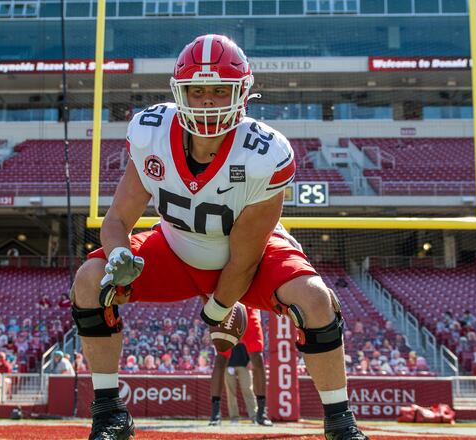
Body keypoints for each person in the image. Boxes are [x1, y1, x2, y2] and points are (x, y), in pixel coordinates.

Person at [70, 34, 368, 440]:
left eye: (219, 90)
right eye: (197, 90)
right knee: (90, 279)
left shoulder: (265, 152)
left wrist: (218, 310)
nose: (208, 100)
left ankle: (339, 423)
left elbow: (244, 258)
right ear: (180, 93)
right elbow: (117, 219)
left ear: (242, 93)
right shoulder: (151, 133)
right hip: (175, 247)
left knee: (315, 299)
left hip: (249, 259)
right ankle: (109, 414)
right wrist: (120, 254)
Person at [209, 306, 272, 426]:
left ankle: (262, 412)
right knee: (220, 360)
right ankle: (215, 414)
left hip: (249, 312)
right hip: (226, 312)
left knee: (258, 359)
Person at [224, 343, 257, 423]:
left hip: (245, 364)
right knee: (231, 393)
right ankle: (234, 417)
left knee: (248, 390)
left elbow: (252, 344)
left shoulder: (246, 330)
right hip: (228, 364)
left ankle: (254, 416)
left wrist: (251, 359)